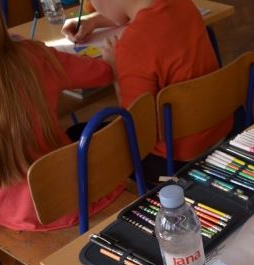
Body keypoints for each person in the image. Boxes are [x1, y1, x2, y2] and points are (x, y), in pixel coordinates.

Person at [0, 0, 117, 265]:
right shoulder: (34, 56)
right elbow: (102, 73)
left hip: (10, 212)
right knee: (95, 134)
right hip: (72, 201)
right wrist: (110, 56)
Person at [61, 0, 233, 183]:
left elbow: (137, 132)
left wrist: (116, 73)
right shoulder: (183, 5)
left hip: (172, 163)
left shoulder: (132, 45)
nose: (93, 7)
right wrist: (95, 20)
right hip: (220, 133)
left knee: (74, 137)